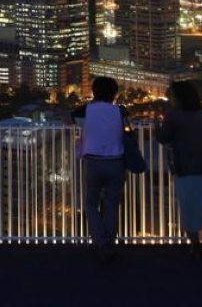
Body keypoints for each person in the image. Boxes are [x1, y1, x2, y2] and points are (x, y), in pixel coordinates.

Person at [155, 81, 202, 256]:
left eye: (171, 96)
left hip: (185, 166)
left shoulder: (173, 116)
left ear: (178, 98)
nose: (170, 99)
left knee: (189, 206)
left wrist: (156, 126)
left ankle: (195, 245)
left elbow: (163, 138)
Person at [73, 76, 126, 263]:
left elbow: (70, 119)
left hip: (93, 162)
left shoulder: (86, 110)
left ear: (94, 92)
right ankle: (109, 242)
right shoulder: (120, 111)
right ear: (114, 94)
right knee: (111, 203)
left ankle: (101, 241)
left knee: (91, 204)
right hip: (116, 161)